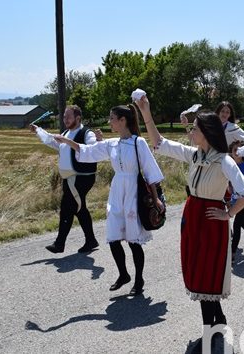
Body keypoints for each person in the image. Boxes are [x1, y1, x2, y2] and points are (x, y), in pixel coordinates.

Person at [135, 95, 244, 350]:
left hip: (211, 220)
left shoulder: (224, 160)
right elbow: (159, 143)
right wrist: (146, 112)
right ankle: (218, 321)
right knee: (197, 273)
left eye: (195, 128)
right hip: (194, 216)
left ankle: (210, 333)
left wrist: (228, 213)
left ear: (207, 132)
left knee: (208, 275)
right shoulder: (195, 155)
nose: (190, 131)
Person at [52, 105, 164, 294]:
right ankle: (123, 274)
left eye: (112, 118)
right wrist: (66, 141)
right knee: (113, 236)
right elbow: (88, 151)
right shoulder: (112, 143)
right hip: (117, 190)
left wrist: (156, 199)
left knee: (133, 239)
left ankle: (139, 279)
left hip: (134, 192)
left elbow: (150, 172)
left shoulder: (139, 143)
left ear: (123, 121)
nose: (109, 121)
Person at [31, 105, 100, 254]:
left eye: (68, 116)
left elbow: (93, 149)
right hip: (69, 178)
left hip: (82, 178)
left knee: (67, 208)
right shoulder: (66, 133)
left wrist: (98, 140)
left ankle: (59, 244)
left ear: (78, 118)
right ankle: (90, 240)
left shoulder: (87, 134)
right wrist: (38, 131)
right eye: (64, 116)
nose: (65, 119)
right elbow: (52, 141)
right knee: (78, 209)